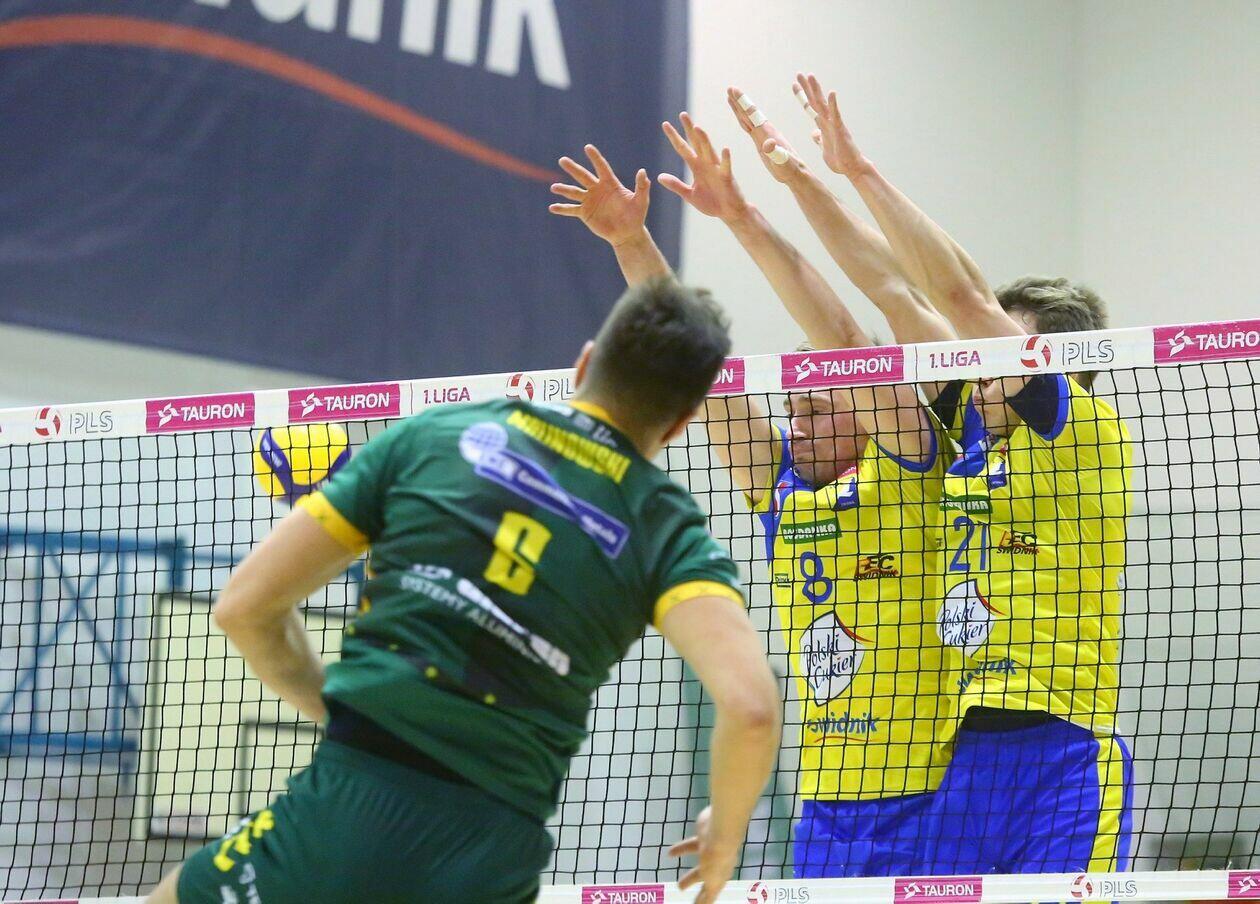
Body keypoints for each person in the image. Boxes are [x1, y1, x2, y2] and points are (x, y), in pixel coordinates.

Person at [147, 278, 782, 904]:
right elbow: (752, 709)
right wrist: (724, 839)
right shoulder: (668, 527)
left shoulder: (437, 435)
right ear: (680, 424)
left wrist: (335, 710)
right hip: (494, 852)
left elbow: (243, 608)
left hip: (354, 803)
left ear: (585, 362)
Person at [548, 113, 958, 879]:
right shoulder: (781, 491)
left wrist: (744, 216)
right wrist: (630, 242)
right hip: (824, 806)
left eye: (817, 409)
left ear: (864, 410)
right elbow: (688, 364)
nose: (796, 423)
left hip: (933, 800)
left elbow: (847, 342)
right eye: (793, 408)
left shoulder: (909, 467)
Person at [790, 71, 1134, 873]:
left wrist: (862, 170)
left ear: (1055, 364)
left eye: (995, 353)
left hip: (1063, 751)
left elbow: (957, 292)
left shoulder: (1079, 431)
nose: (978, 370)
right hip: (963, 755)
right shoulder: (974, 429)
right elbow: (892, 290)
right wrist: (803, 181)